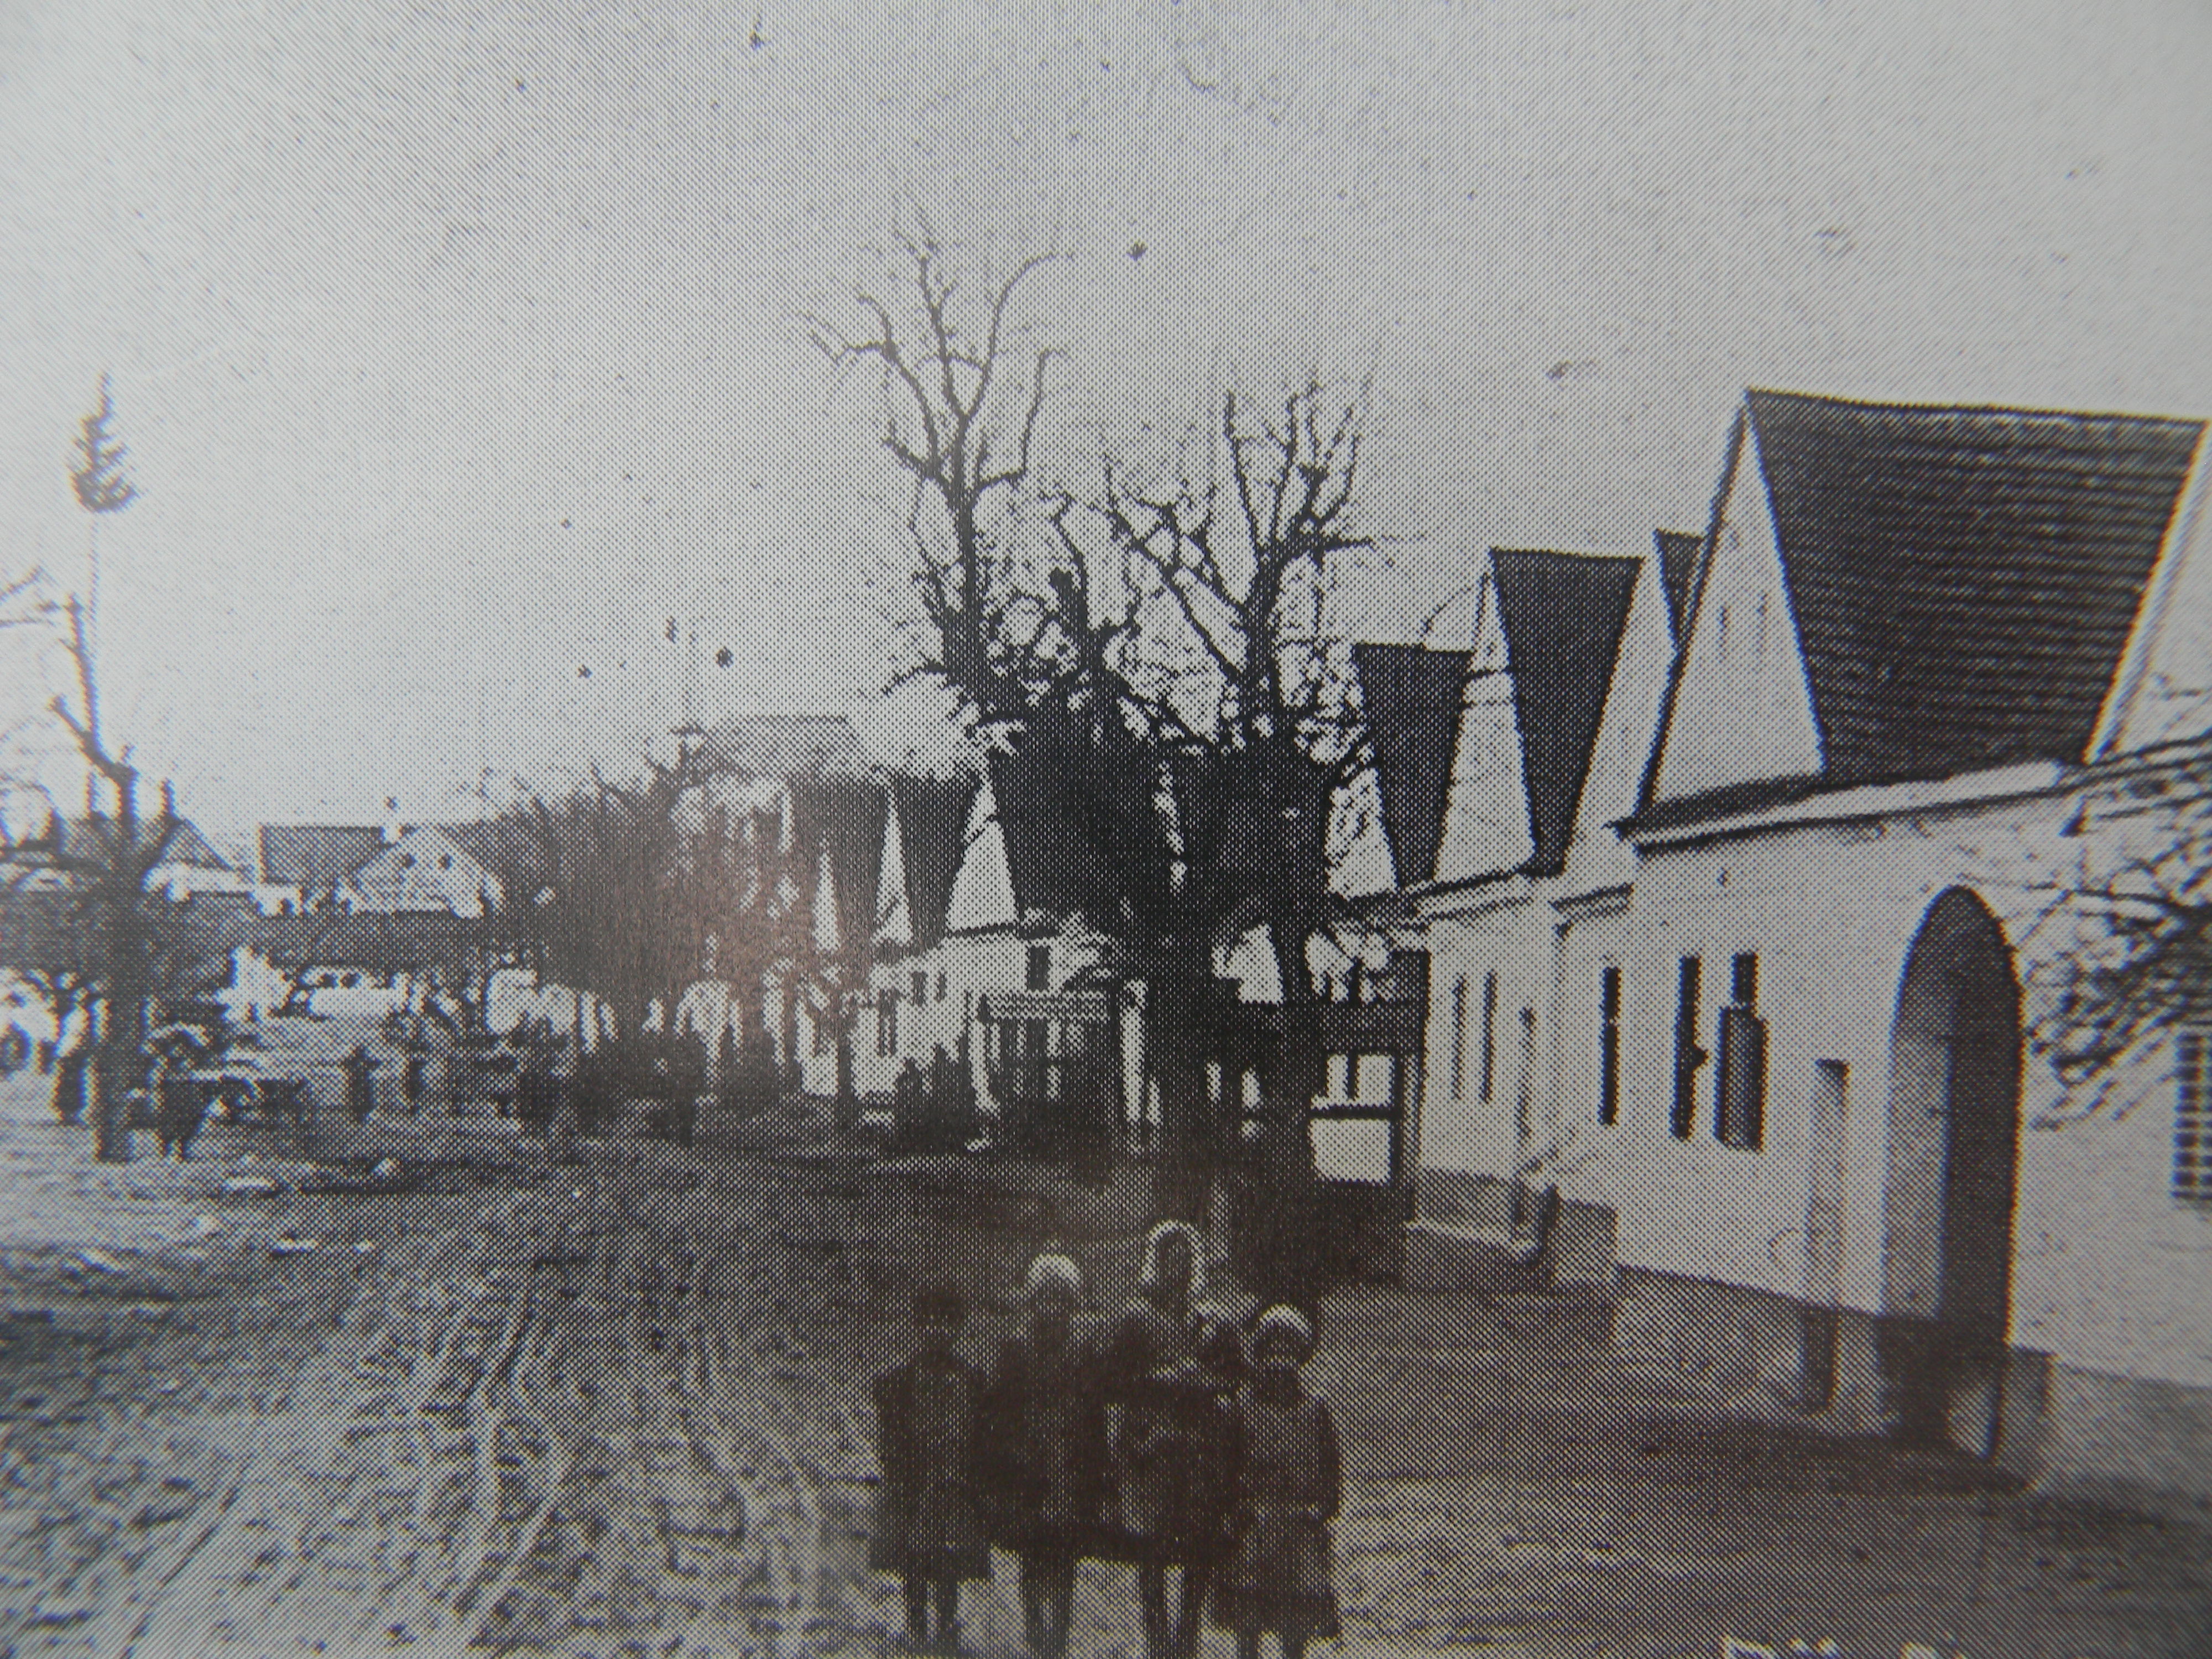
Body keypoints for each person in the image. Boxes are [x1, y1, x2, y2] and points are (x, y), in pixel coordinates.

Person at [985, 1253, 1107, 1659]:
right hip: (1030, 1463)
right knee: (1033, 1552)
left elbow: (1094, 1414)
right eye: (1044, 1298)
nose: (1052, 1308)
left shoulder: (1083, 1350)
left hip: (1068, 1462)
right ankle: (1034, 1627)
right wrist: (1008, 1458)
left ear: (1073, 1305)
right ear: (1032, 1302)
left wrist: (1096, 1471)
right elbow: (1000, 1410)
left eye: (1061, 1299)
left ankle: (1059, 1632)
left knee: (1064, 1552)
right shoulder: (1016, 1348)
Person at [1104, 1220, 1208, 1659]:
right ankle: (1156, 1639)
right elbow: (1115, 1380)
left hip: (1193, 1444)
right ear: (1156, 1263)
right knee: (1152, 1546)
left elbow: (1229, 1375)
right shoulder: (1135, 1318)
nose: (1177, 1270)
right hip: (1147, 1443)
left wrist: (1200, 1380)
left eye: (1185, 1261)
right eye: (1169, 1260)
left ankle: (1187, 1634)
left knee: (1196, 1543)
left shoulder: (1206, 1319)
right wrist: (1159, 1379)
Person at [1216, 1305, 1340, 1659]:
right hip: (1254, 1527)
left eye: (1289, 1349)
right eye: (1272, 1348)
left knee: (1294, 1628)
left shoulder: (1315, 1409)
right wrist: (1237, 1509)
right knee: (1249, 1627)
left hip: (1298, 1529)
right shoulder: (1244, 1407)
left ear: (1301, 1355)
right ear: (1260, 1353)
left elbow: (1331, 1476)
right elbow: (1228, 1469)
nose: (1280, 1361)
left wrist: (1319, 1511)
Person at [873, 1285, 990, 1653]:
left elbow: (980, 1436)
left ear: (958, 1329)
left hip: (954, 1483)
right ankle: (915, 1622)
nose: (938, 1331)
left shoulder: (973, 1381)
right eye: (930, 1323)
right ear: (918, 1327)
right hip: (914, 1481)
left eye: (947, 1323)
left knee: (949, 1557)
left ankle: (947, 1622)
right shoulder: (898, 1382)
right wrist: (900, 1471)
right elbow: (889, 1438)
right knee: (915, 1555)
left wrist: (972, 1478)